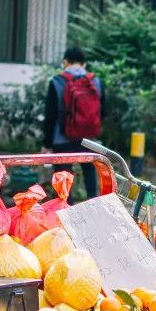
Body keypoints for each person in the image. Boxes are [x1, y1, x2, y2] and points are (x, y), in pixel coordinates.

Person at [43, 46, 104, 200]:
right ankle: (94, 208)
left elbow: (50, 116)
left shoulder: (57, 82)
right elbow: (104, 112)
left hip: (62, 140)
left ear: (65, 62)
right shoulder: (96, 81)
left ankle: (66, 212)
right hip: (89, 141)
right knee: (90, 175)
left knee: (63, 183)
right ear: (84, 64)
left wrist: (47, 144)